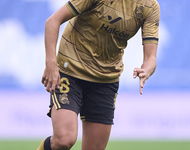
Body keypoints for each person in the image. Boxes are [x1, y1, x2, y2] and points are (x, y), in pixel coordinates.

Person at [37, 0, 160, 149]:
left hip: (105, 80)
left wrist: (146, 70)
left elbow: (150, 58)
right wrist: (51, 63)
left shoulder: (150, 6)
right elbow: (52, 21)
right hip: (70, 71)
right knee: (64, 140)